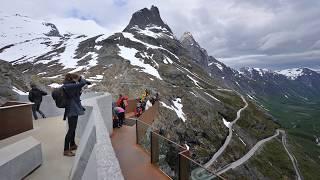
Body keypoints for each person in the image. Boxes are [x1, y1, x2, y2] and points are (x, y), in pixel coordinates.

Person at [62, 73, 91, 156]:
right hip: (71, 110)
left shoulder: (71, 85)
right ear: (72, 78)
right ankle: (66, 149)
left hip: (74, 110)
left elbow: (76, 96)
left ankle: (72, 145)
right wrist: (80, 78)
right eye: (75, 79)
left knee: (73, 129)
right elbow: (82, 83)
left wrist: (80, 89)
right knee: (71, 130)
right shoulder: (68, 86)